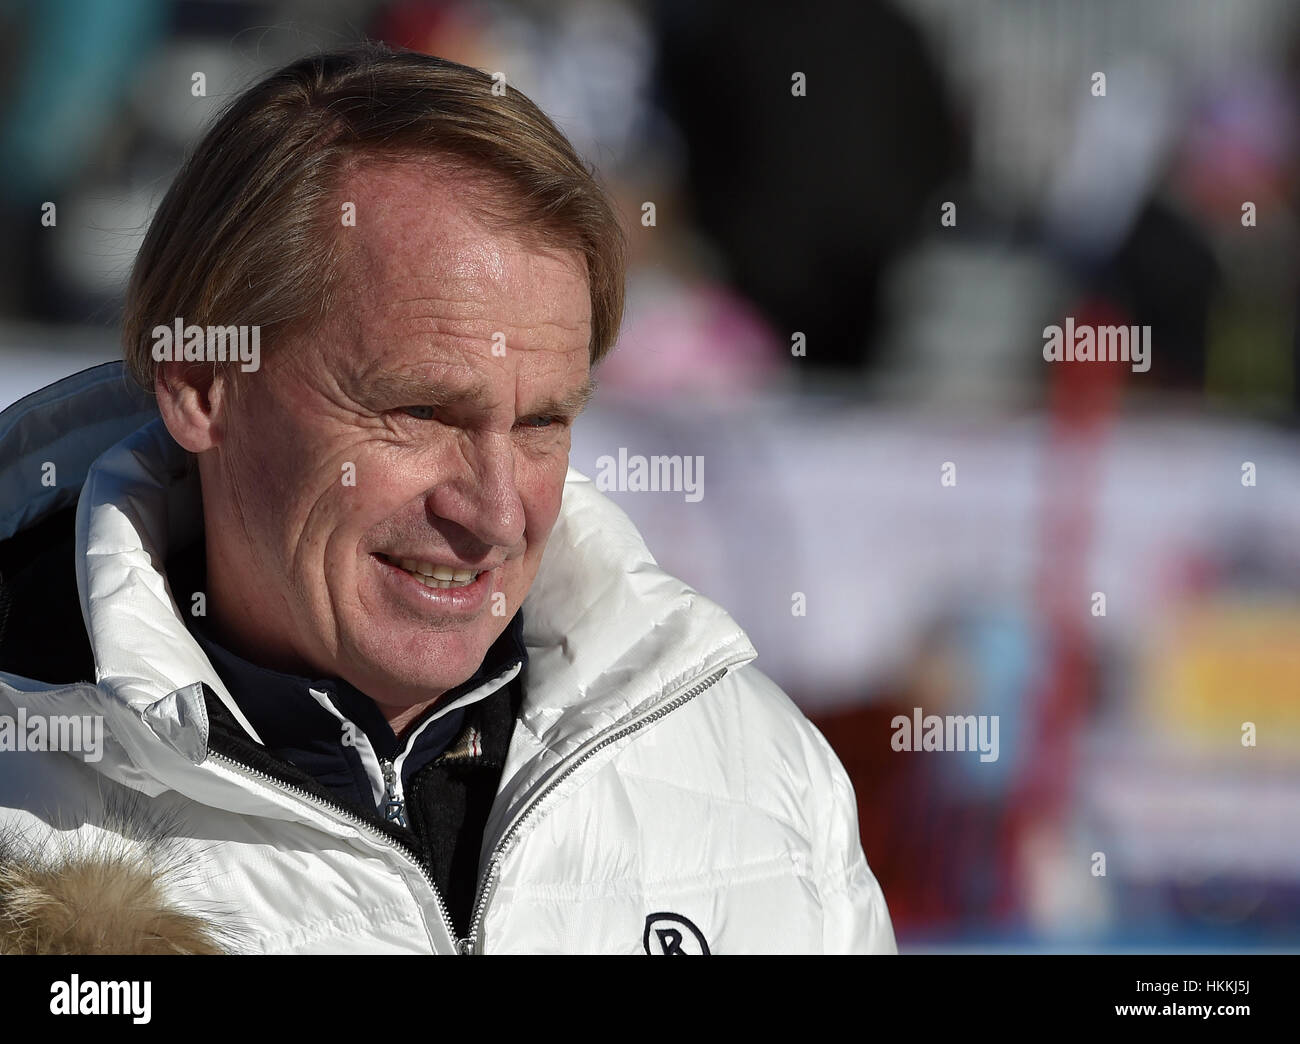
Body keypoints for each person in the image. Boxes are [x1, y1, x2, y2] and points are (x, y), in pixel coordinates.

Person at [0, 44, 895, 955]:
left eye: (544, 422)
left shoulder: (759, 777)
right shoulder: (21, 791)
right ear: (202, 382)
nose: (498, 513)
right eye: (422, 411)